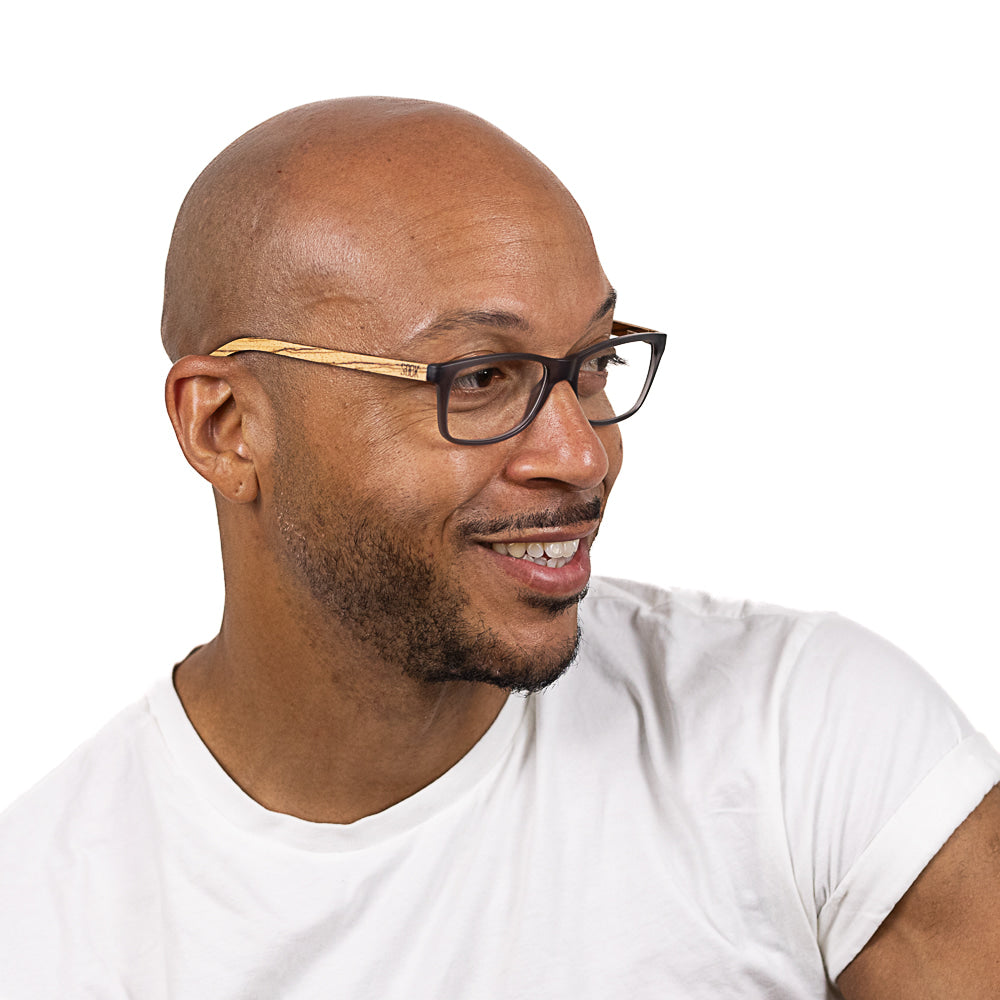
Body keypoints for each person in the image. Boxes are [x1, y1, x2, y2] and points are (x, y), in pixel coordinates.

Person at [1, 97, 998, 999]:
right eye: (478, 378)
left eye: (591, 363)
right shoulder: (44, 928)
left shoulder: (809, 741)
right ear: (225, 427)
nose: (582, 454)